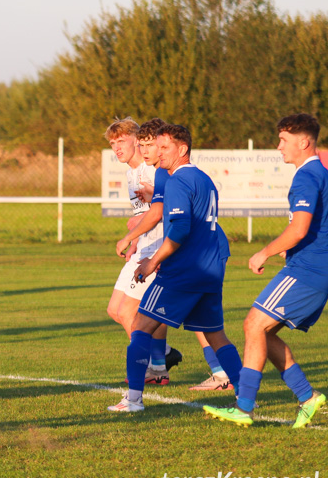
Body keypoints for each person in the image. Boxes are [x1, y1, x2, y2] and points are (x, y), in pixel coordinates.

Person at [108, 124, 243, 413]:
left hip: (181, 271)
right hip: (209, 270)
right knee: (217, 336)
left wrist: (153, 261)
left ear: (182, 149)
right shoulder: (204, 179)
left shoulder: (177, 181)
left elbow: (179, 229)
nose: (158, 152)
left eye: (164, 147)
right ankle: (245, 399)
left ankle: (133, 399)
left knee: (142, 328)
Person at [205, 113, 328, 428]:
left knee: (253, 325)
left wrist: (264, 251)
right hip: (313, 268)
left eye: (284, 140)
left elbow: (299, 228)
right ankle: (307, 397)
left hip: (307, 270)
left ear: (304, 141)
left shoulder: (307, 175)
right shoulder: (320, 174)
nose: (278, 146)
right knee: (264, 330)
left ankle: (244, 408)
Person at [104, 118, 181, 384]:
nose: (117, 148)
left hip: (158, 247)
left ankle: (152, 367)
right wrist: (135, 239)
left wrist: (132, 232)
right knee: (115, 310)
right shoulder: (131, 174)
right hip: (143, 245)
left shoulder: (153, 170)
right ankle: (163, 356)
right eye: (113, 143)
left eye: (121, 141)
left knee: (130, 312)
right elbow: (143, 212)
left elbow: (163, 210)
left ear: (136, 140)